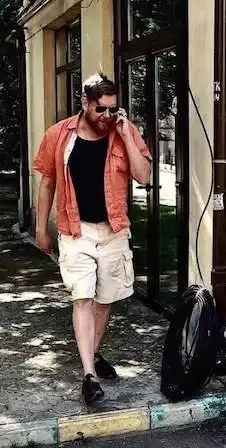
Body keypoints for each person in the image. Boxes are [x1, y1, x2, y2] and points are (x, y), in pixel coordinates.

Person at [33, 73, 152, 405]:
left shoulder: (122, 131)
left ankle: (93, 353)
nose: (107, 116)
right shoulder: (59, 135)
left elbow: (143, 176)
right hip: (76, 231)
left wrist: (125, 134)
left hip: (113, 231)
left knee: (104, 300)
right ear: (85, 103)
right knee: (82, 298)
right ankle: (89, 376)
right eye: (101, 109)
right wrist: (41, 229)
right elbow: (47, 183)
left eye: (112, 109)